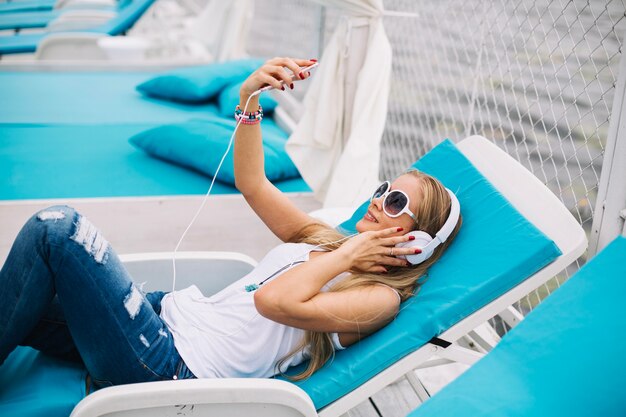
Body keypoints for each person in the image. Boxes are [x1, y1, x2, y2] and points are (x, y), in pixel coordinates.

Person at [0, 58, 462, 389]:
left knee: (58, 230)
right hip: (161, 317)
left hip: (171, 366)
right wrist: (249, 100)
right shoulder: (326, 241)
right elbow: (253, 184)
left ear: (416, 241)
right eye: (383, 188)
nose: (379, 200)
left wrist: (345, 256)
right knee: (29, 301)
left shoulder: (378, 300)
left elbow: (273, 301)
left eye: (396, 200)